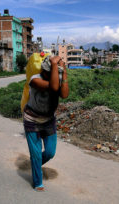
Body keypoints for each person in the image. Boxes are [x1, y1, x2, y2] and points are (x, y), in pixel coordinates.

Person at [23, 55, 69, 191]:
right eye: (53, 71)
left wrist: (64, 72)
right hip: (32, 120)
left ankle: (35, 164)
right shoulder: (35, 80)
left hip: (48, 120)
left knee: (50, 152)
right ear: (45, 70)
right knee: (36, 153)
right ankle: (38, 181)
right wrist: (55, 65)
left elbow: (64, 94)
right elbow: (54, 88)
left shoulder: (57, 78)